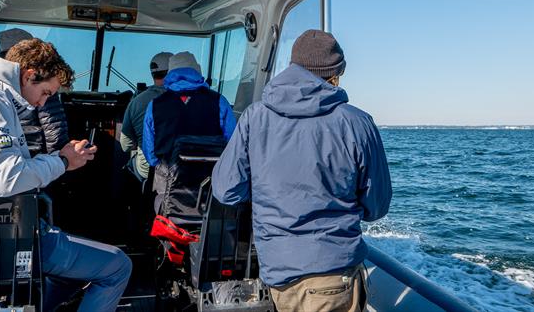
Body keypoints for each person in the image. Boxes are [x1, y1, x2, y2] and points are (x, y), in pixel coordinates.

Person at [0, 38, 131, 312]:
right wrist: (63, 161)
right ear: (29, 75)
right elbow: (8, 178)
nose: (42, 104)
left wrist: (57, 158)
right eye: (46, 92)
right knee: (118, 266)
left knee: (71, 276)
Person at [211, 30, 392, 312]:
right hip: (333, 274)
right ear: (335, 74)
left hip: (278, 275)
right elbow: (376, 207)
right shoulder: (358, 122)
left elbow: (226, 190)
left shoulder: (254, 117)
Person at [141, 52, 236, 222]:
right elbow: (233, 146)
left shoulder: (154, 105)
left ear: (170, 74)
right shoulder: (220, 101)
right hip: (210, 187)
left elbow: (150, 155)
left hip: (170, 187)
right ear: (197, 72)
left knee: (160, 193)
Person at [0, 28, 69, 156]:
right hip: (33, 155)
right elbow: (52, 125)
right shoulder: (40, 82)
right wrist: (60, 160)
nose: (42, 102)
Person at [119, 51, 173, 181]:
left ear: (152, 73)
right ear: (173, 71)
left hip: (149, 170)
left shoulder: (137, 102)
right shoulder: (187, 99)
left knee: (128, 168)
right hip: (182, 169)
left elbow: (125, 146)